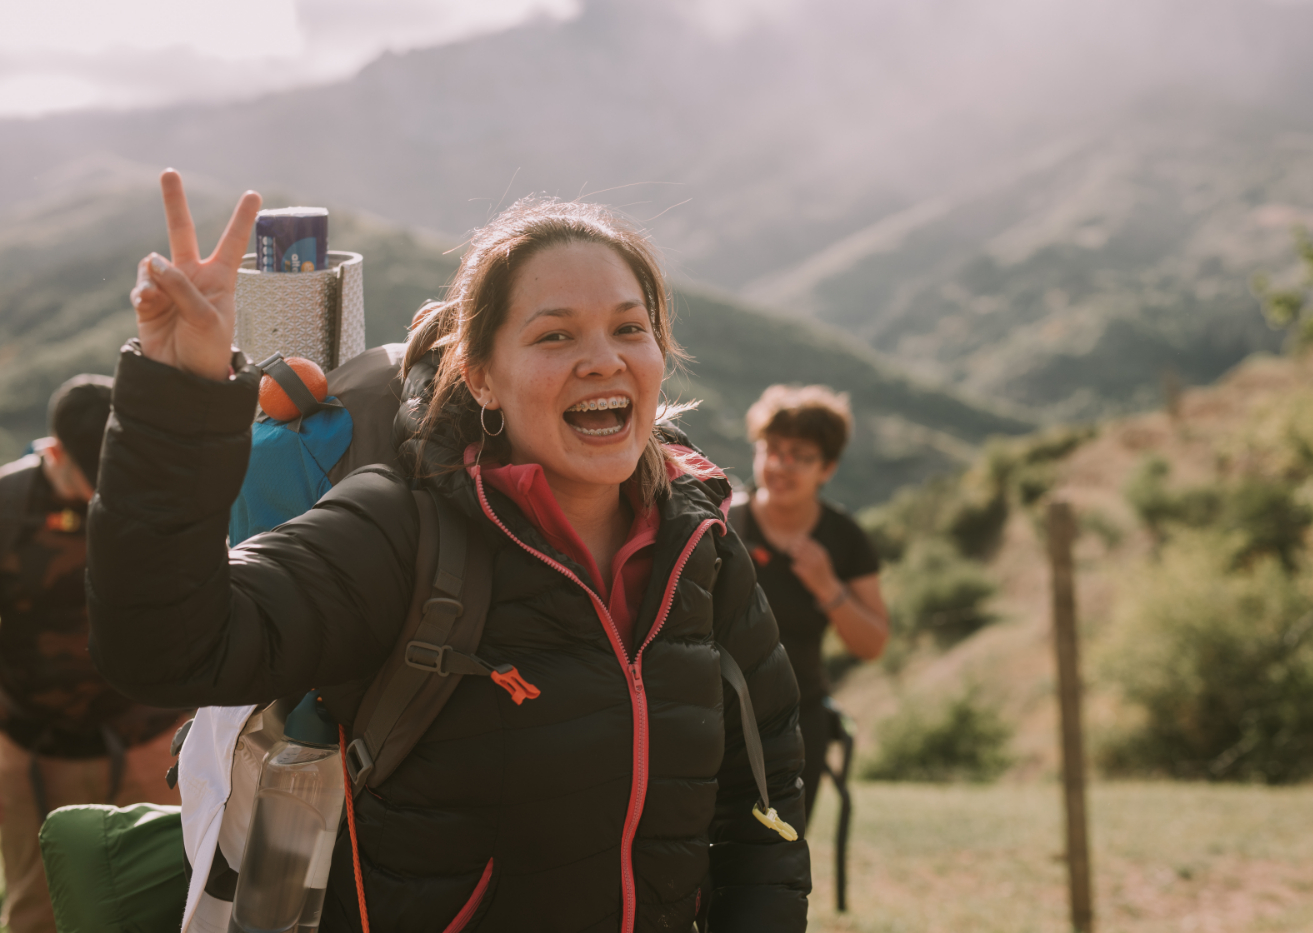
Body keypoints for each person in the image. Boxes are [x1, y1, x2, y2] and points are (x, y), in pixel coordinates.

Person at [87, 170, 810, 932]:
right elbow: (163, 649)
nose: (603, 359)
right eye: (554, 335)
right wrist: (178, 395)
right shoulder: (403, 533)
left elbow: (762, 805)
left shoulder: (702, 547)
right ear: (482, 376)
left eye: (630, 328)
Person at [0, 375, 184, 933]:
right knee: (41, 907)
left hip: (152, 741)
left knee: (161, 898)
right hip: (37, 749)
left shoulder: (158, 495)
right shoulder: (8, 508)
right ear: (52, 453)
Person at [729, 385, 889, 821]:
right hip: (716, 714)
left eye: (800, 455)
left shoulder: (845, 539)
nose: (781, 465)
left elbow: (872, 643)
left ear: (827, 468)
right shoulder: (722, 523)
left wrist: (827, 587)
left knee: (781, 854)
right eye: (772, 449)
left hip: (798, 723)